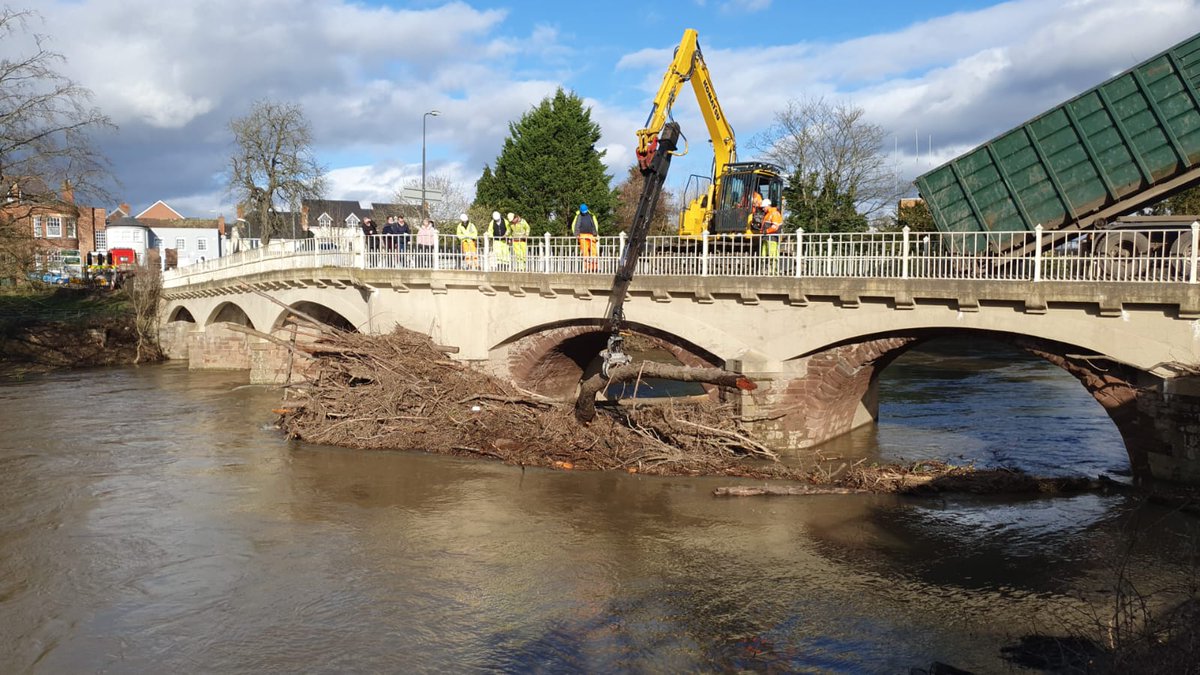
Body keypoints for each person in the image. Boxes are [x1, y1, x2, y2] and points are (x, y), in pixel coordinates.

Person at [571, 203, 599, 272]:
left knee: (594, 252)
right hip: (582, 236)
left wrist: (595, 234)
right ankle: (587, 268)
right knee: (585, 253)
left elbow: (594, 225)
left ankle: (594, 267)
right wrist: (577, 235)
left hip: (591, 235)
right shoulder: (578, 216)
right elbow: (575, 226)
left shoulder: (591, 215)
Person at [759, 198, 783, 274]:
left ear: (767, 206)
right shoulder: (767, 214)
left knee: (772, 255)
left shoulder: (774, 213)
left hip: (772, 238)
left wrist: (766, 231)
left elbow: (775, 227)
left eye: (763, 207)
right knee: (763, 255)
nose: (763, 209)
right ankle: (764, 270)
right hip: (766, 238)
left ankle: (773, 271)